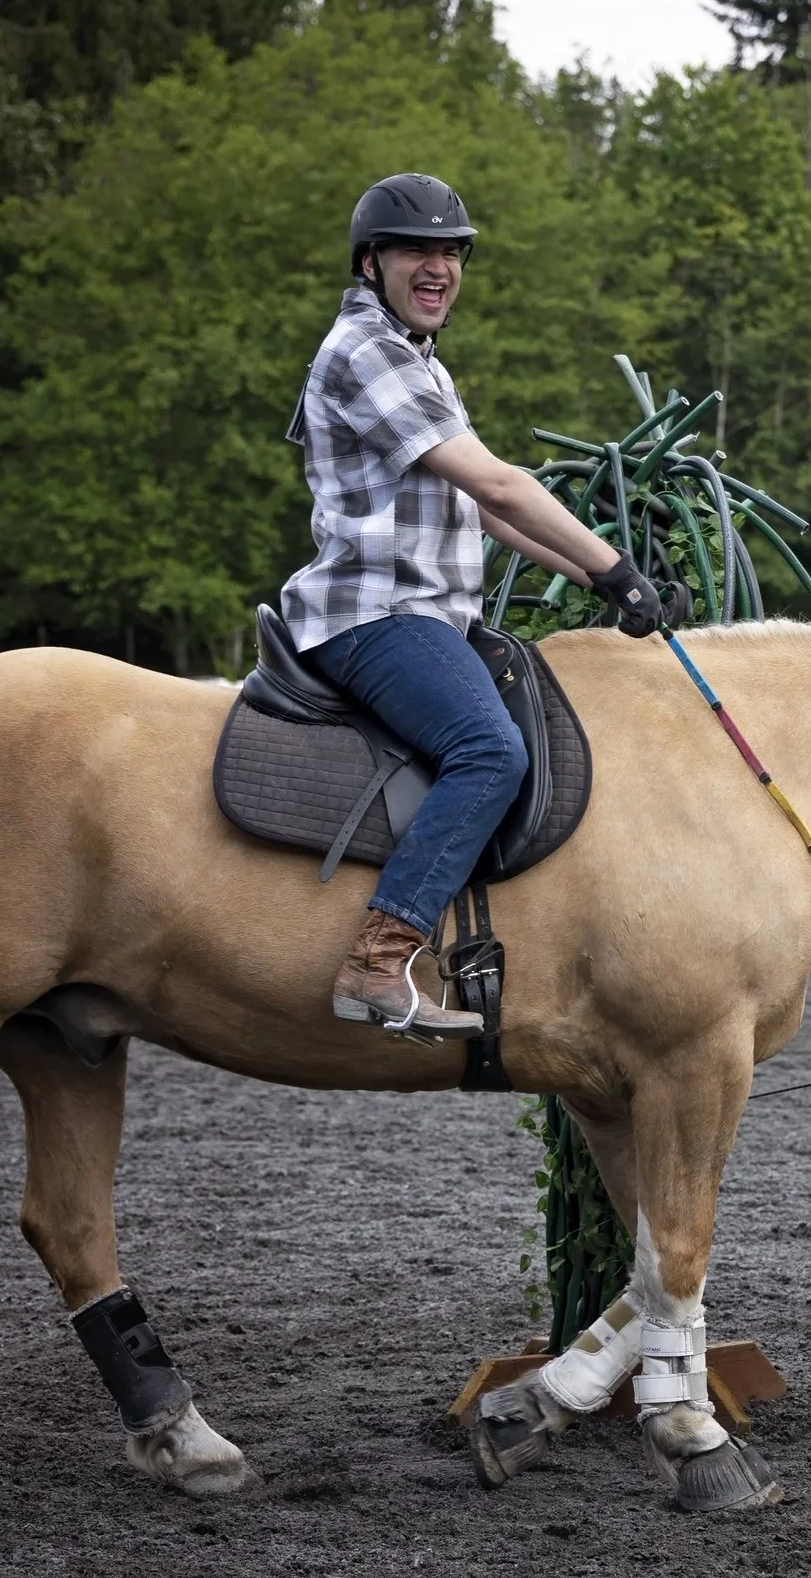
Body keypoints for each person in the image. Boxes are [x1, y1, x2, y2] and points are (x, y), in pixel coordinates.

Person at [283, 173, 668, 1037]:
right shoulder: (363, 351)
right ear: (371, 261)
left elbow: (489, 510)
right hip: (375, 614)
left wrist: (609, 581)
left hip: (430, 615)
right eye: (418, 251)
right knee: (490, 751)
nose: (439, 268)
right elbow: (499, 479)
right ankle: (379, 960)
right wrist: (611, 568)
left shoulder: (420, 361)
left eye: (452, 253)